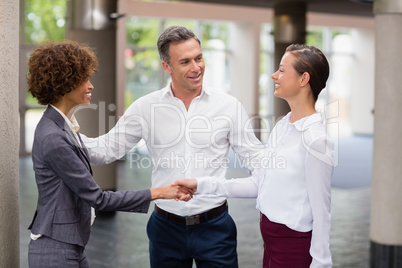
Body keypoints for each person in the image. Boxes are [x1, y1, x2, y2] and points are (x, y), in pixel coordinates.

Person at [81, 26, 264, 267]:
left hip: (215, 228)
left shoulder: (228, 106)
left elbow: (255, 158)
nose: (196, 67)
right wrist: (63, 131)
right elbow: (105, 150)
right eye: (185, 61)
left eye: (198, 58)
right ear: (167, 67)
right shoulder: (146, 107)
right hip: (165, 229)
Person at [26, 40, 193, 268]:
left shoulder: (62, 126)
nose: (91, 86)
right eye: (84, 79)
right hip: (56, 250)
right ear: (64, 83)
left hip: (68, 245)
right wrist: (160, 192)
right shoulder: (54, 137)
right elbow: (99, 199)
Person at [174, 44, 335, 268]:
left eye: (281, 70)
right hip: (271, 243)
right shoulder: (282, 127)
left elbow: (322, 212)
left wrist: (321, 263)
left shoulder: (317, 140)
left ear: (303, 79)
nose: (273, 75)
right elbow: (259, 184)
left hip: (294, 248)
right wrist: (200, 184)